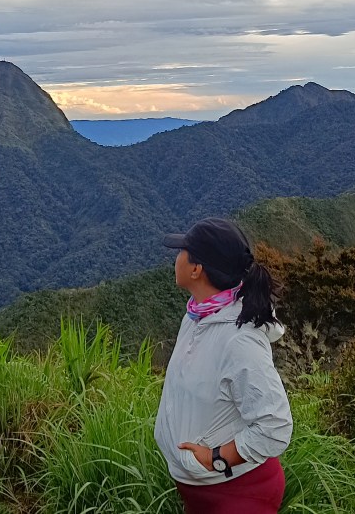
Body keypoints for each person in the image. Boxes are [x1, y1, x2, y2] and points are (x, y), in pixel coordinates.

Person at [154, 217, 293, 514]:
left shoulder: (239, 341)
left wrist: (216, 457)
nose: (176, 258)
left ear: (196, 269)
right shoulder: (197, 316)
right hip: (204, 490)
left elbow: (276, 426)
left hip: (239, 494)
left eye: (183, 252)